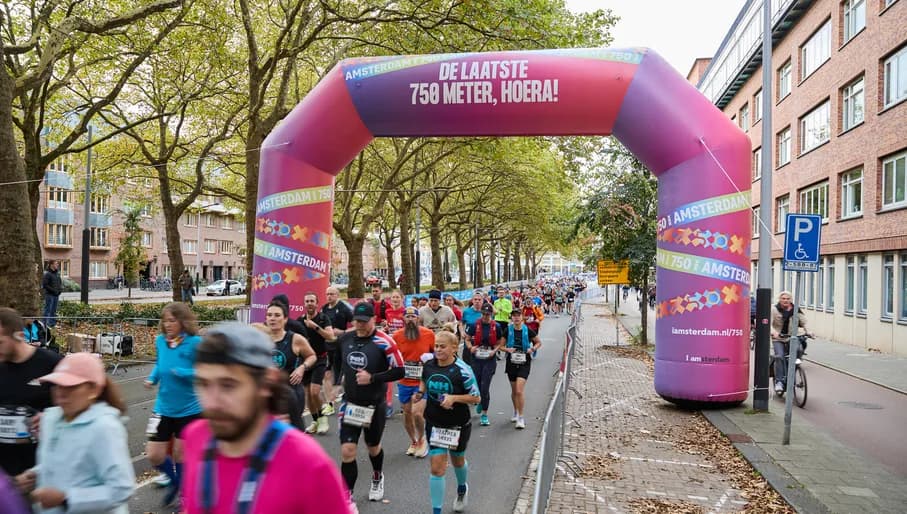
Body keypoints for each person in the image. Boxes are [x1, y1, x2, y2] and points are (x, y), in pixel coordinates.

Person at [182, 323, 349, 514]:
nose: (212, 402)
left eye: (228, 385)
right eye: (203, 384)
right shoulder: (196, 437)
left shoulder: (306, 463)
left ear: (266, 382)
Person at [14, 353, 133, 513]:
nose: (61, 393)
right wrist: (35, 474)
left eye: (70, 386)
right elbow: (66, 462)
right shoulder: (54, 419)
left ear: (94, 389)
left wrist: (67, 498)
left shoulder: (104, 428)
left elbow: (121, 488)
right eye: (57, 385)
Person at [337, 302, 404, 510]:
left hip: (374, 405)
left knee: (373, 447)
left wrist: (373, 377)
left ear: (373, 320)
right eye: (357, 321)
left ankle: (377, 476)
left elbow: (400, 371)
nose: (360, 325)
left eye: (364, 322)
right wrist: (334, 380)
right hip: (350, 403)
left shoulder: (385, 342)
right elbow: (337, 360)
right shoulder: (346, 338)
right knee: (348, 450)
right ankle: (347, 497)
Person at [413, 331, 480, 514]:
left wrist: (454, 398)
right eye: (436, 346)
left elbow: (476, 398)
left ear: (453, 348)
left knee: (457, 461)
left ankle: (461, 489)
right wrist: (419, 394)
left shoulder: (463, 369)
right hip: (435, 422)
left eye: (443, 346)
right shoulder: (428, 365)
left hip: (458, 424)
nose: (438, 350)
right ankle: (437, 511)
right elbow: (424, 382)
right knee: (437, 468)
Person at [143, 302, 203, 506]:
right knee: (154, 454)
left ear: (183, 321)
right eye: (165, 321)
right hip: (163, 408)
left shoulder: (195, 342)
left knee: (180, 454)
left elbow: (205, 371)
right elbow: (160, 365)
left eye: (172, 320)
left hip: (189, 409)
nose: (167, 325)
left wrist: (184, 373)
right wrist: (152, 378)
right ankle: (176, 482)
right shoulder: (161, 341)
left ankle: (186, 495)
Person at [0, 308, 62, 478]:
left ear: (19, 336)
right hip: (5, 478)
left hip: (39, 473)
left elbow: (72, 412)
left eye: (0, 342)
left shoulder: (51, 364)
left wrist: (49, 418)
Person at [263, 301, 318, 428]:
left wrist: (302, 368)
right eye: (269, 315)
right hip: (269, 393)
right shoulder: (260, 339)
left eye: (277, 315)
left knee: (293, 431)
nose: (272, 318)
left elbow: (312, 356)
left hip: (291, 392)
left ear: (285, 319)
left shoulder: (295, 339)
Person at [391, 307, 435, 458]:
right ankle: (413, 441)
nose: (410, 319)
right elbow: (391, 356)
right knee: (407, 414)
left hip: (421, 381)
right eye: (407, 316)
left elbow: (436, 354)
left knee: (417, 413)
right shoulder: (396, 336)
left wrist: (430, 363)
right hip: (404, 381)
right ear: (404, 319)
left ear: (418, 319)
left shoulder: (428, 334)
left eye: (413, 316)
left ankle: (422, 439)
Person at [297, 292, 335, 435]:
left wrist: (315, 327)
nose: (309, 303)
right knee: (308, 394)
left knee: (314, 391)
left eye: (312, 301)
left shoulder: (323, 319)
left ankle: (323, 420)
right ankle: (315, 421)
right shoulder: (299, 321)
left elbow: (331, 337)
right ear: (304, 304)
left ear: (317, 303)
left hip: (320, 358)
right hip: (305, 360)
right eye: (307, 301)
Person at [502, 309, 542, 429]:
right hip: (511, 362)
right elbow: (500, 345)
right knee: (514, 391)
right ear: (511, 318)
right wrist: (507, 350)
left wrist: (532, 349)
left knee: (519, 390)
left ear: (522, 317)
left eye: (518, 316)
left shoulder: (527, 330)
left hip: (524, 361)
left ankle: (521, 417)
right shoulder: (507, 330)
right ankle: (515, 411)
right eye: (514, 316)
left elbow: (539, 342)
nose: (516, 318)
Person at [464, 304, 502, 426]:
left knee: (485, 386)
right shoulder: (474, 325)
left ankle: (484, 414)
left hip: (489, 359)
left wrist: (494, 352)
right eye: (484, 314)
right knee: (477, 384)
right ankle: (480, 400)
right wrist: (471, 348)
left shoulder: (496, 326)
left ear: (491, 314)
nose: (485, 317)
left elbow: (499, 342)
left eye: (488, 314)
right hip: (476, 358)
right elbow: (467, 339)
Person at [322, 286, 353, 413]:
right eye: (327, 294)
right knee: (327, 374)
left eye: (332, 294)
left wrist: (343, 332)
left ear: (338, 295)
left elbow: (357, 325)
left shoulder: (344, 308)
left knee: (341, 377)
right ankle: (329, 403)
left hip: (341, 346)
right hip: (327, 346)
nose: (329, 296)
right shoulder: (324, 308)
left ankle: (348, 400)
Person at [770, 291, 809, 394]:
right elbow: (769, 323)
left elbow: (804, 322)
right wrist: (773, 332)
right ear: (780, 299)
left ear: (791, 300)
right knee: (780, 356)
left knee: (799, 349)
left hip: (792, 337)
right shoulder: (774, 309)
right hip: (778, 338)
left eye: (788, 299)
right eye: (783, 298)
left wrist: (808, 331)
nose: (786, 300)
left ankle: (795, 368)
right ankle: (779, 382)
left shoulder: (795, 310)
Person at [41, 261, 62, 327]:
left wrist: (60, 290)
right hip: (49, 295)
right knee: (48, 310)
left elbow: (59, 283)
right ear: (51, 265)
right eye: (56, 264)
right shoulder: (47, 274)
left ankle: (52, 324)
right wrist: (53, 291)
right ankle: (44, 324)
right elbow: (45, 285)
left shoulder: (57, 274)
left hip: (56, 295)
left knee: (54, 310)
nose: (57, 265)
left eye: (57, 264)